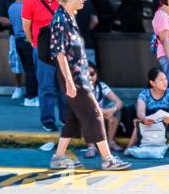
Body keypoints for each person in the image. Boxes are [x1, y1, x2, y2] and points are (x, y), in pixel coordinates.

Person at [48, 0, 130, 169]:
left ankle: (58, 157)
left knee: (73, 118)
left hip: (79, 77)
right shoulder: (60, 20)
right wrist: (70, 82)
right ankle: (107, 159)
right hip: (74, 79)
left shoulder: (68, 17)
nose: (83, 0)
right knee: (95, 114)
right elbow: (60, 54)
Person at [128, 63, 169, 158]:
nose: (165, 82)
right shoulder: (144, 94)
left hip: (166, 122)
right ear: (152, 83)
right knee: (139, 123)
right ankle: (130, 147)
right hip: (150, 121)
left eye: (165, 79)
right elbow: (140, 111)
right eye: (161, 80)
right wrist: (144, 118)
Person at [22, 0, 61, 131]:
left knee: (65, 85)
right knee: (46, 86)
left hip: (62, 47)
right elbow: (26, 26)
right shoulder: (30, 2)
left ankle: (66, 118)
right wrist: (33, 43)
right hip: (42, 47)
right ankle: (48, 120)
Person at [2, 0, 39, 104]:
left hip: (18, 40)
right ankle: (31, 97)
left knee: (29, 70)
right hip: (28, 40)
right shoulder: (29, 5)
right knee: (32, 70)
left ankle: (32, 96)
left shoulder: (12, 7)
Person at [88, 63, 123, 154]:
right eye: (86, 75)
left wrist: (111, 110)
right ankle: (91, 146)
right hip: (87, 117)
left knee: (115, 111)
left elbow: (119, 102)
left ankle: (110, 142)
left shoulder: (101, 86)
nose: (90, 77)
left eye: (92, 74)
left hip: (101, 115)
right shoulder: (80, 87)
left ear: (96, 74)